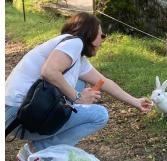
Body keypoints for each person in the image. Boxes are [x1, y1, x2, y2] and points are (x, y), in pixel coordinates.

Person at [5, 12, 153, 161]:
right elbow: (48, 71)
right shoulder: (75, 43)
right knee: (100, 116)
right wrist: (77, 96)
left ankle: (36, 149)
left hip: (19, 113)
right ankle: (35, 150)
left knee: (80, 82)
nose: (102, 41)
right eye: (101, 36)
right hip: (17, 116)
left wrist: (136, 101)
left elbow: (104, 82)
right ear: (90, 33)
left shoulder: (73, 53)